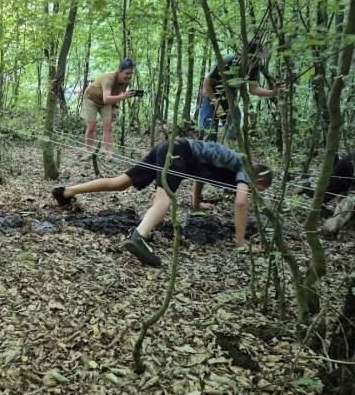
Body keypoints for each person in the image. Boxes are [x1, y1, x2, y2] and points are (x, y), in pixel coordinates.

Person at [52, 138, 273, 267]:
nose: (256, 192)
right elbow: (241, 202)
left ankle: (66, 192)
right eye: (260, 189)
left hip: (170, 146)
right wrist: (240, 241)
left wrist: (197, 204)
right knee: (163, 201)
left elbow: (202, 176)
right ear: (260, 182)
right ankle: (139, 237)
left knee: (121, 182)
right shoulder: (246, 168)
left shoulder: (234, 163)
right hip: (178, 152)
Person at [200, 40, 280, 142]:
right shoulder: (228, 61)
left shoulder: (254, 67)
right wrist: (216, 104)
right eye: (254, 57)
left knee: (234, 127)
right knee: (209, 130)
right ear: (246, 54)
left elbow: (254, 89)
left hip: (229, 99)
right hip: (211, 96)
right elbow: (206, 83)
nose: (256, 60)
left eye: (257, 58)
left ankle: (230, 148)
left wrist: (272, 93)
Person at [82, 58, 138, 159]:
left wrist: (115, 107)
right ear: (119, 71)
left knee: (108, 127)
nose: (129, 76)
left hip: (105, 102)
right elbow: (107, 98)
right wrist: (123, 96)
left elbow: (118, 94)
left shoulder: (126, 82)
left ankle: (108, 154)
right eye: (127, 73)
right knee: (91, 126)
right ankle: (87, 151)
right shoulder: (109, 77)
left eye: (131, 73)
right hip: (91, 98)